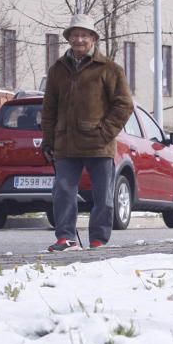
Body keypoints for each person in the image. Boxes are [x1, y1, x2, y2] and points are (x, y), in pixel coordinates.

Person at [41, 14, 133, 252]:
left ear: (93, 38)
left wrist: (104, 132)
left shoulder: (110, 69)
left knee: (102, 196)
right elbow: (49, 107)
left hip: (98, 144)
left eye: (84, 35)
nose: (79, 39)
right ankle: (66, 238)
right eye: (74, 35)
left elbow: (124, 105)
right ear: (69, 38)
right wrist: (48, 140)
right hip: (65, 144)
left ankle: (98, 240)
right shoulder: (57, 70)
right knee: (62, 192)